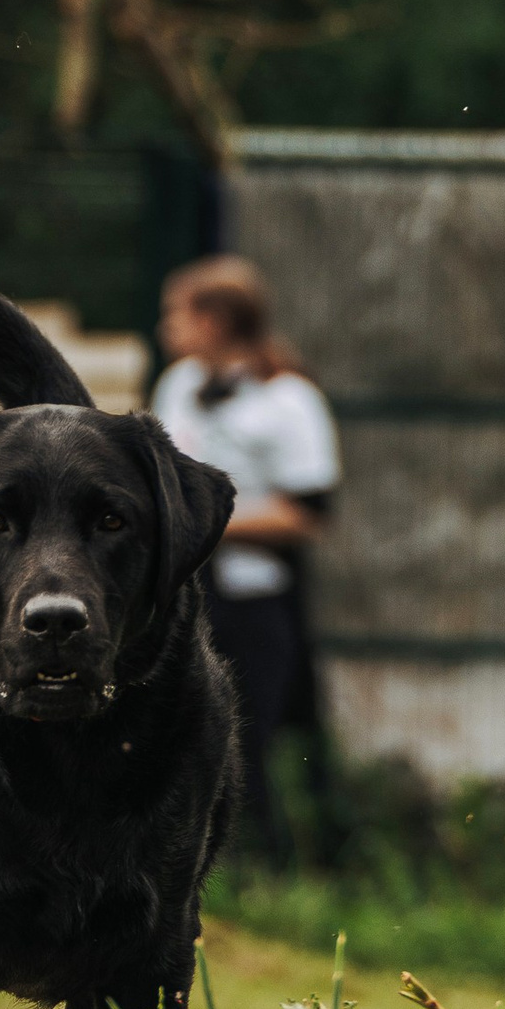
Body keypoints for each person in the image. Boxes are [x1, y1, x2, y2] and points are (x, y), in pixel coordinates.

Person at [152, 255, 341, 867]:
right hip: (187, 587)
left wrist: (210, 524)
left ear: (216, 319)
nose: (167, 328)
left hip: (257, 594)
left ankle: (269, 865)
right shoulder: (178, 385)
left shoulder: (288, 400)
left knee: (250, 734)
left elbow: (308, 511)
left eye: (177, 313)